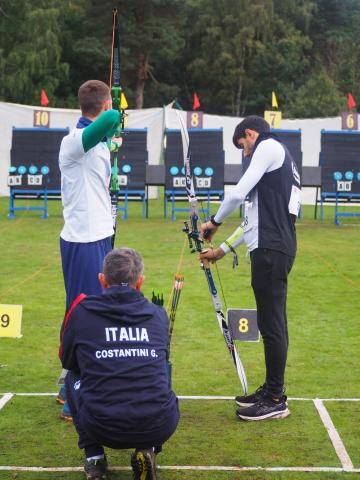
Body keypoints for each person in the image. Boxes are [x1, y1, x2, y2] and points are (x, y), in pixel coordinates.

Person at [200, 115, 301, 421]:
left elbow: (236, 193)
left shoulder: (269, 146)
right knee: (272, 322)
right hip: (272, 247)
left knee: (272, 325)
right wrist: (220, 251)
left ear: (251, 134)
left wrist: (214, 222)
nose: (244, 153)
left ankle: (274, 398)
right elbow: (251, 222)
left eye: (242, 145)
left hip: (272, 250)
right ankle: (272, 390)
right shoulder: (275, 163)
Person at [59, 248, 180, 480]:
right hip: (159, 424)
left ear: (102, 280)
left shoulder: (82, 311)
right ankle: (149, 448)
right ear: (140, 282)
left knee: (72, 375)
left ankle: (94, 456)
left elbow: (68, 361)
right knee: (161, 368)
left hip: (101, 425)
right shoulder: (157, 314)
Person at [57, 80, 122, 420]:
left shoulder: (95, 142)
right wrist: (115, 109)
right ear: (103, 102)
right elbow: (111, 117)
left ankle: (68, 381)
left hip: (99, 235)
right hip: (83, 240)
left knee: (88, 311)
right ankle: (74, 394)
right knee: (85, 314)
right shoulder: (73, 142)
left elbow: (107, 125)